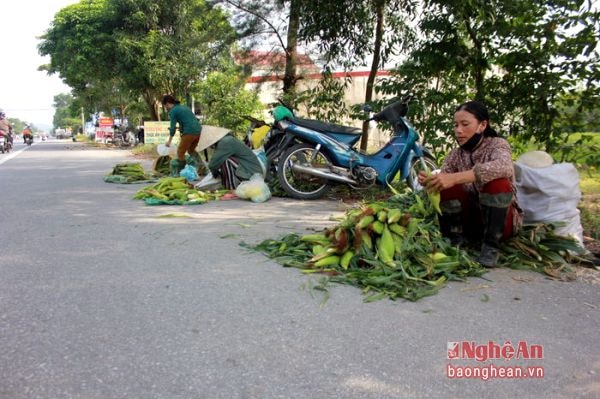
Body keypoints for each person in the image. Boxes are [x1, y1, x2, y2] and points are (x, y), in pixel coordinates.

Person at [418, 101, 522, 268]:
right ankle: (454, 239)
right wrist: (429, 181)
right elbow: (444, 179)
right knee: (444, 184)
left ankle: (490, 247)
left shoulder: (497, 145)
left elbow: (504, 167)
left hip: (501, 225)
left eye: (465, 124)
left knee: (497, 183)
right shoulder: (455, 155)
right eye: (456, 125)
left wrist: (456, 178)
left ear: (482, 125)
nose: (458, 130)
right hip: (470, 223)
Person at [197, 126, 264, 189]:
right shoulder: (227, 140)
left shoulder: (226, 142)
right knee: (222, 161)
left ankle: (231, 187)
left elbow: (213, 164)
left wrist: (215, 174)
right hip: (250, 171)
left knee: (226, 160)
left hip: (251, 173)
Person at [161, 95, 202, 175]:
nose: (166, 108)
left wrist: (169, 141)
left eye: (166, 106)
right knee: (190, 150)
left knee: (180, 152)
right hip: (198, 131)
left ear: (168, 104)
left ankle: (181, 172)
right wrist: (181, 129)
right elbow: (188, 120)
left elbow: (172, 128)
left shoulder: (173, 111)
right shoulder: (184, 107)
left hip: (189, 132)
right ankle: (201, 166)